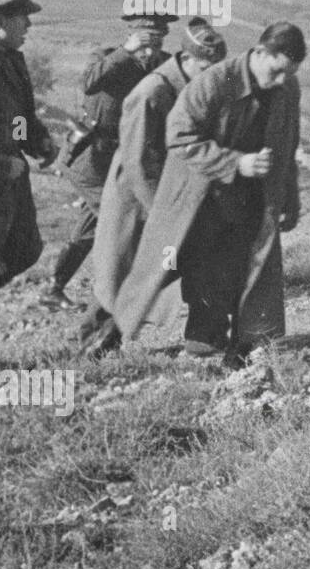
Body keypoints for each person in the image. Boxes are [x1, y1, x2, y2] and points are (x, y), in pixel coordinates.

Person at [113, 22, 304, 364]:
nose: (280, 81)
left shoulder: (286, 88)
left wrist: (291, 195)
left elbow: (287, 144)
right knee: (182, 271)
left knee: (245, 272)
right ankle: (113, 335)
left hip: (251, 197)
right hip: (201, 197)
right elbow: (179, 138)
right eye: (276, 71)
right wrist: (235, 162)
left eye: (288, 74)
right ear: (260, 53)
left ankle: (239, 348)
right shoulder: (215, 81)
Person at [78, 19, 228, 355]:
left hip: (176, 192)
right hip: (138, 197)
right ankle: (95, 344)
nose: (211, 77)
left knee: (199, 254)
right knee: (123, 269)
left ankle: (205, 337)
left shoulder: (198, 87)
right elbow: (137, 162)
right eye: (206, 68)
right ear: (186, 59)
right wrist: (163, 215)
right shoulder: (152, 92)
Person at [45, 12, 174, 309]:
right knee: (118, 221)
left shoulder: (164, 65)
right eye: (143, 43)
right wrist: (126, 51)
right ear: (130, 36)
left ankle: (53, 288)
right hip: (89, 161)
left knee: (92, 225)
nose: (149, 51)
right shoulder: (107, 58)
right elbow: (88, 83)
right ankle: (125, 295)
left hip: (123, 162)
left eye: (156, 43)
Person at [0, 0, 58, 356]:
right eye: (23, 17)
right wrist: (1, 165)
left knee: (25, 250)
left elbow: (18, 116)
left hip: (11, 177)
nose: (30, 25)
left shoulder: (10, 59)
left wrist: (34, 141)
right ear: (0, 22)